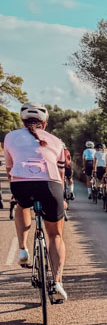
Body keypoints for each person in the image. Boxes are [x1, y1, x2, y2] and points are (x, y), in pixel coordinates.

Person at [2, 102, 69, 300]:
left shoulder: (10, 137)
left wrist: (15, 191)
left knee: (22, 205)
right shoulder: (56, 140)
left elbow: (9, 168)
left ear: (23, 121)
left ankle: (22, 249)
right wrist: (62, 198)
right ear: (45, 123)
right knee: (55, 235)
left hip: (21, 184)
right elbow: (61, 172)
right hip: (51, 185)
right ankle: (57, 282)